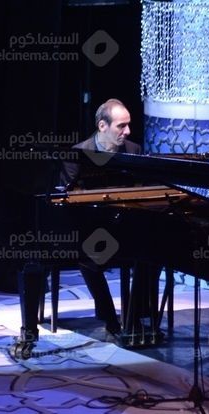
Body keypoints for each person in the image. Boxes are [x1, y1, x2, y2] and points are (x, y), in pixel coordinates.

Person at [59, 99, 141, 337]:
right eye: (121, 126)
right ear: (102, 126)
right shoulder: (78, 153)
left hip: (127, 224)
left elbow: (141, 190)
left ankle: (136, 318)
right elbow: (69, 198)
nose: (128, 131)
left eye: (128, 125)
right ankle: (110, 319)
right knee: (91, 259)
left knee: (151, 258)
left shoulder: (134, 150)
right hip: (90, 225)